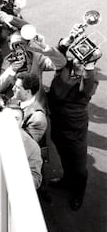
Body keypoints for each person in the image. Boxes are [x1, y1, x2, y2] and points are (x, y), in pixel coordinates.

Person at [48, 26, 101, 211]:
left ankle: (78, 192)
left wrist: (90, 65)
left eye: (84, 56)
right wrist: (70, 38)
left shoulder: (91, 78)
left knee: (78, 166)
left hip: (74, 128)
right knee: (63, 154)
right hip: (57, 122)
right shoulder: (66, 64)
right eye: (79, 51)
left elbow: (86, 89)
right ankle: (66, 180)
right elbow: (59, 51)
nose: (79, 58)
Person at [0, 32, 66, 108]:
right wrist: (11, 70)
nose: (18, 48)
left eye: (21, 44)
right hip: (14, 107)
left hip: (36, 106)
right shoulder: (7, 61)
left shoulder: (36, 58)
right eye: (14, 44)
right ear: (9, 45)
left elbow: (60, 64)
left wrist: (45, 47)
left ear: (27, 45)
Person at [2, 106, 43, 189]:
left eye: (16, 119)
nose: (10, 122)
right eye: (6, 118)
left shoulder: (31, 146)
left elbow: (36, 180)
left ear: (22, 122)